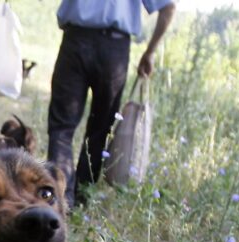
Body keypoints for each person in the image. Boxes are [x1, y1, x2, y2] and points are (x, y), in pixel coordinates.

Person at [47, 0, 177, 207]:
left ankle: (60, 199)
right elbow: (168, 7)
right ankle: (80, 198)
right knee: (100, 130)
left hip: (76, 41)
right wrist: (150, 52)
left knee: (61, 128)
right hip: (113, 49)